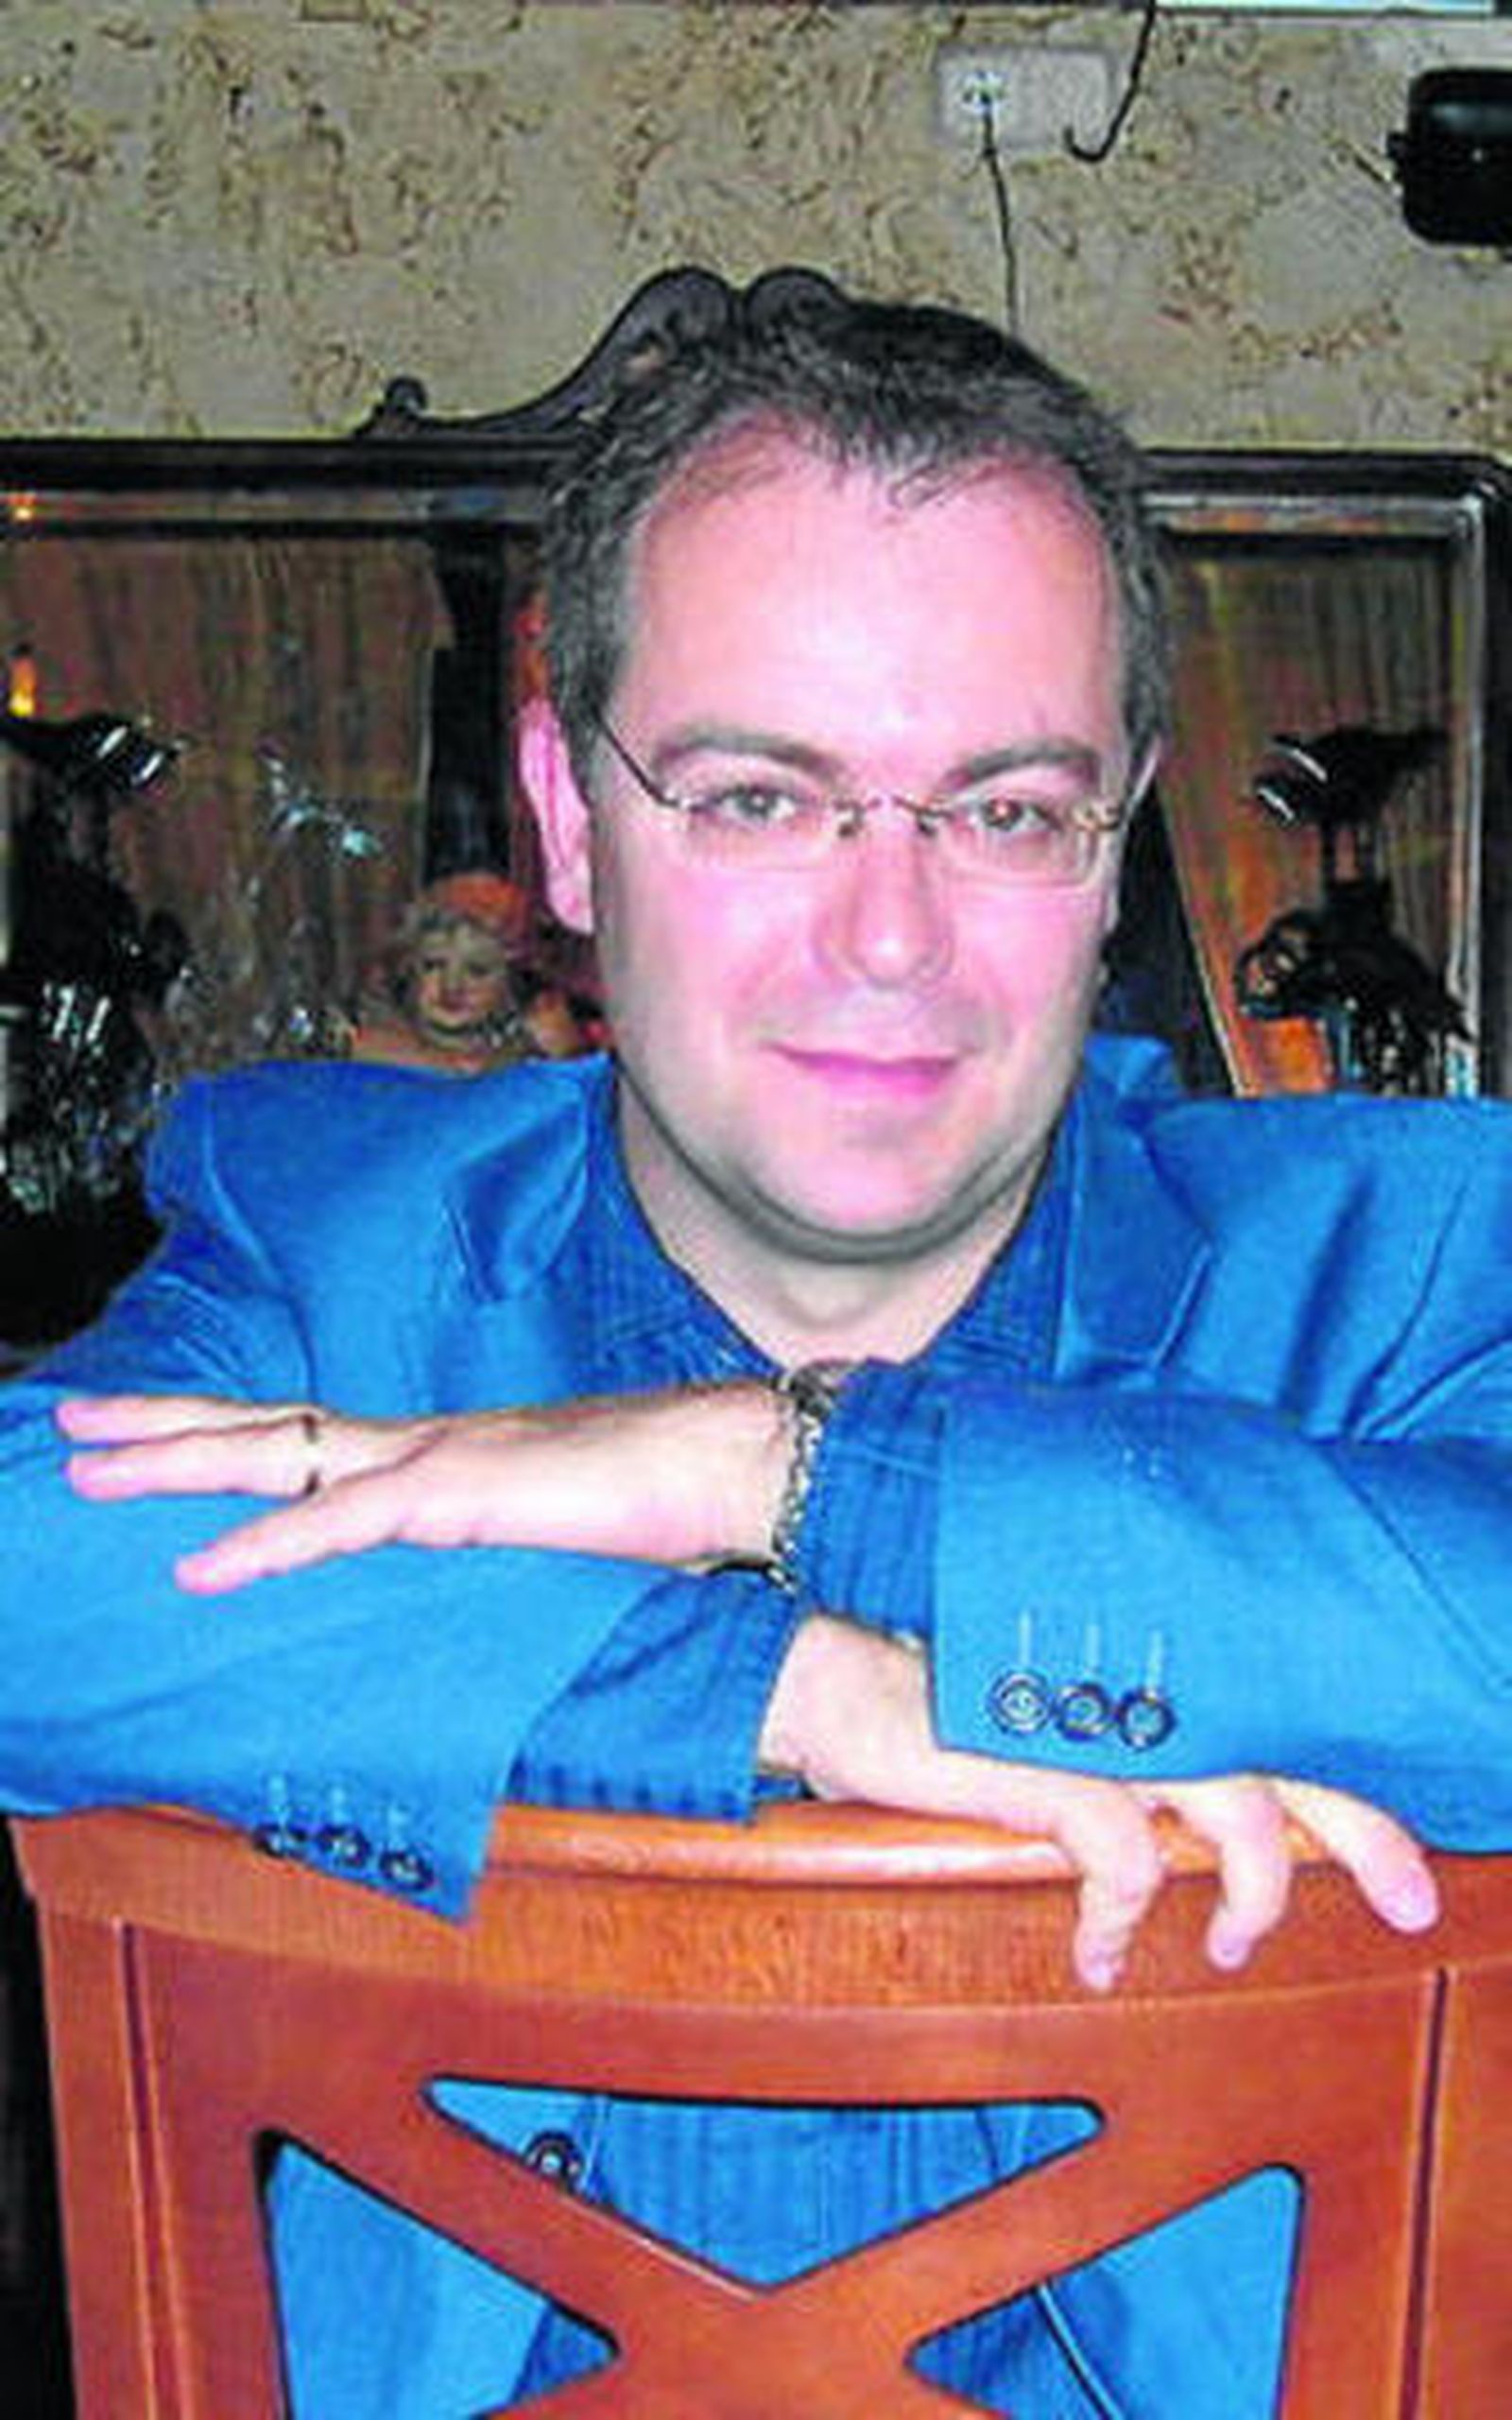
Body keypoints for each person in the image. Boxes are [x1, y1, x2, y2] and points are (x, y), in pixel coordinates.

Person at [2, 289, 1509, 2417]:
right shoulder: (342, 1246)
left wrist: (783, 1470)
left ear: (1117, 845)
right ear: (566, 812)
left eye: (1005, 811)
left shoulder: (1396, 1265)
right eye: (755, 797)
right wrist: (787, 1681)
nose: (889, 938)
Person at [345, 868, 583, 1073]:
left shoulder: (525, 1040)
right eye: (433, 965)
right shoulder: (375, 1034)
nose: (452, 987)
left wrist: (569, 1052)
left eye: (478, 971)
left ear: (513, 979)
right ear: (407, 967)